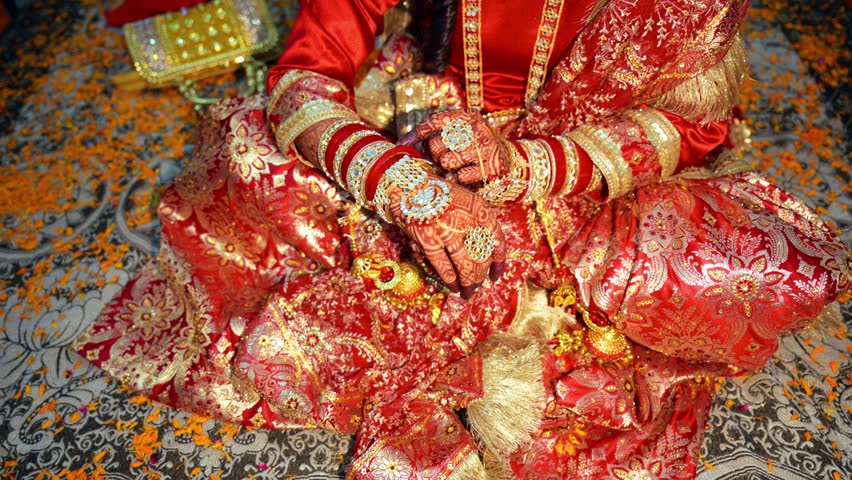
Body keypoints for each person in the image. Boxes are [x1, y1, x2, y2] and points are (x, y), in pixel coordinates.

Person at [74, 0, 851, 478]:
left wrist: (531, 166)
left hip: (582, 173)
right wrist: (400, 186)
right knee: (248, 144)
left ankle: (507, 310)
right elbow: (304, 76)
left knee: (728, 273)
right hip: (419, 130)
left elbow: (696, 124)